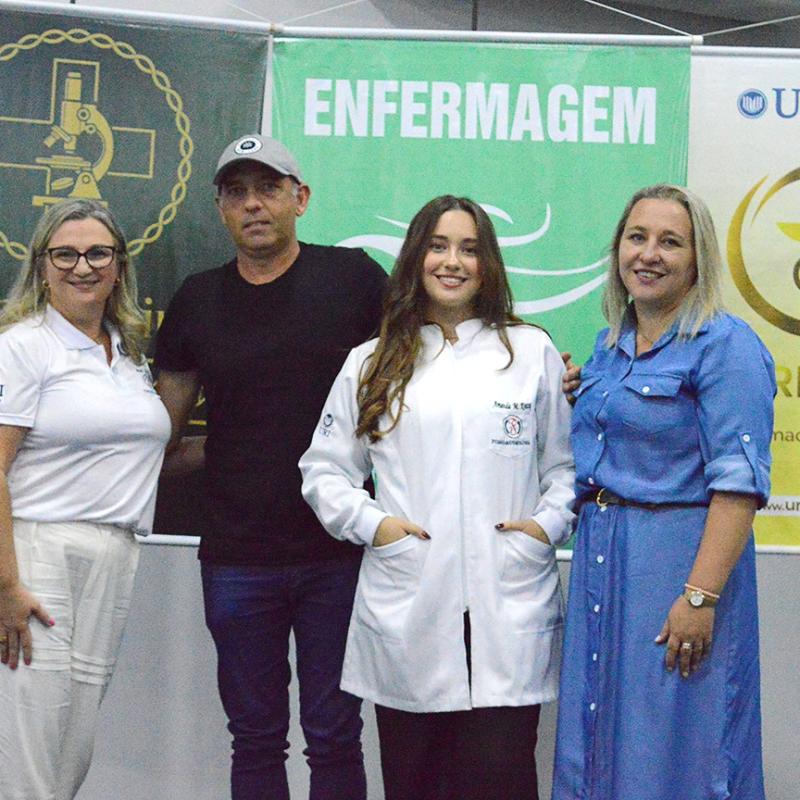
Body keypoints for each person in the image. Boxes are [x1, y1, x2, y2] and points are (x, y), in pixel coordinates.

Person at [300, 195, 575, 800]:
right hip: (413, 598)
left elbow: (565, 467)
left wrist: (544, 527)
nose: (453, 262)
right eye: (438, 246)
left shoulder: (529, 351)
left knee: (502, 778)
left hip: (505, 597)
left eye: (469, 249)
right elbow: (324, 471)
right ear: (415, 258)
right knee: (414, 781)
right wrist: (375, 527)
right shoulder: (372, 361)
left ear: (488, 264)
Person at [153, 134, 387, 800]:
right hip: (236, 556)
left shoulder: (354, 278)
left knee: (335, 734)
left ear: (300, 198)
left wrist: (530, 360)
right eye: (236, 193)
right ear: (220, 209)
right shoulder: (197, 299)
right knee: (254, 738)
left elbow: (429, 363)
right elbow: (160, 435)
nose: (253, 205)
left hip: (337, 551)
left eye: (268, 189)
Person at [552, 184, 775, 800]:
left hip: (675, 570)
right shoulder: (608, 349)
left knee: (678, 744)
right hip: (603, 566)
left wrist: (699, 598)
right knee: (597, 738)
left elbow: (738, 489)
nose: (648, 254)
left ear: (698, 259)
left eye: (670, 242)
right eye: (637, 237)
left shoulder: (727, 346)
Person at [0, 199, 171, 799]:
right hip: (36, 556)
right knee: (29, 747)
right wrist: (6, 585)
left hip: (114, 556)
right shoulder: (22, 346)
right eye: (65, 254)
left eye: (98, 253)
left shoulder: (126, 354)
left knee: (72, 747)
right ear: (41, 267)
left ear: (119, 266)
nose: (82, 266)